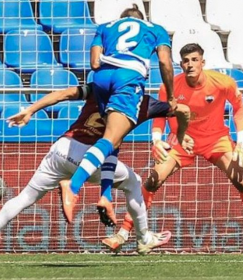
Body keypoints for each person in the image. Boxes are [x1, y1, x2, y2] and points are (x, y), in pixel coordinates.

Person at [0, 82, 189, 266]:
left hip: (62, 149)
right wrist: (180, 133)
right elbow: (183, 109)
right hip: (90, 157)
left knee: (24, 197)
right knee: (134, 182)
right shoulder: (144, 103)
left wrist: (30, 110)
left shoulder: (98, 87)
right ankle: (143, 238)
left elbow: (62, 93)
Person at [102, 43, 243, 256]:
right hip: (181, 141)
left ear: (202, 62)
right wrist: (156, 140)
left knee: (240, 179)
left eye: (194, 60)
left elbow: (239, 108)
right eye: (186, 61)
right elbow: (160, 114)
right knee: (153, 178)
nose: (190, 65)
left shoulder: (222, 82)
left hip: (215, 139)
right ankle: (123, 234)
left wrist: (242, 143)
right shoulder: (170, 87)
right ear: (181, 64)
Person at [61, 4, 182, 222]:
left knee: (114, 138)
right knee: (110, 138)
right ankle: (74, 184)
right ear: (140, 19)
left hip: (101, 77)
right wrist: (171, 95)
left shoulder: (105, 27)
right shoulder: (156, 28)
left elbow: (94, 61)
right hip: (128, 78)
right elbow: (164, 61)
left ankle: (105, 196)